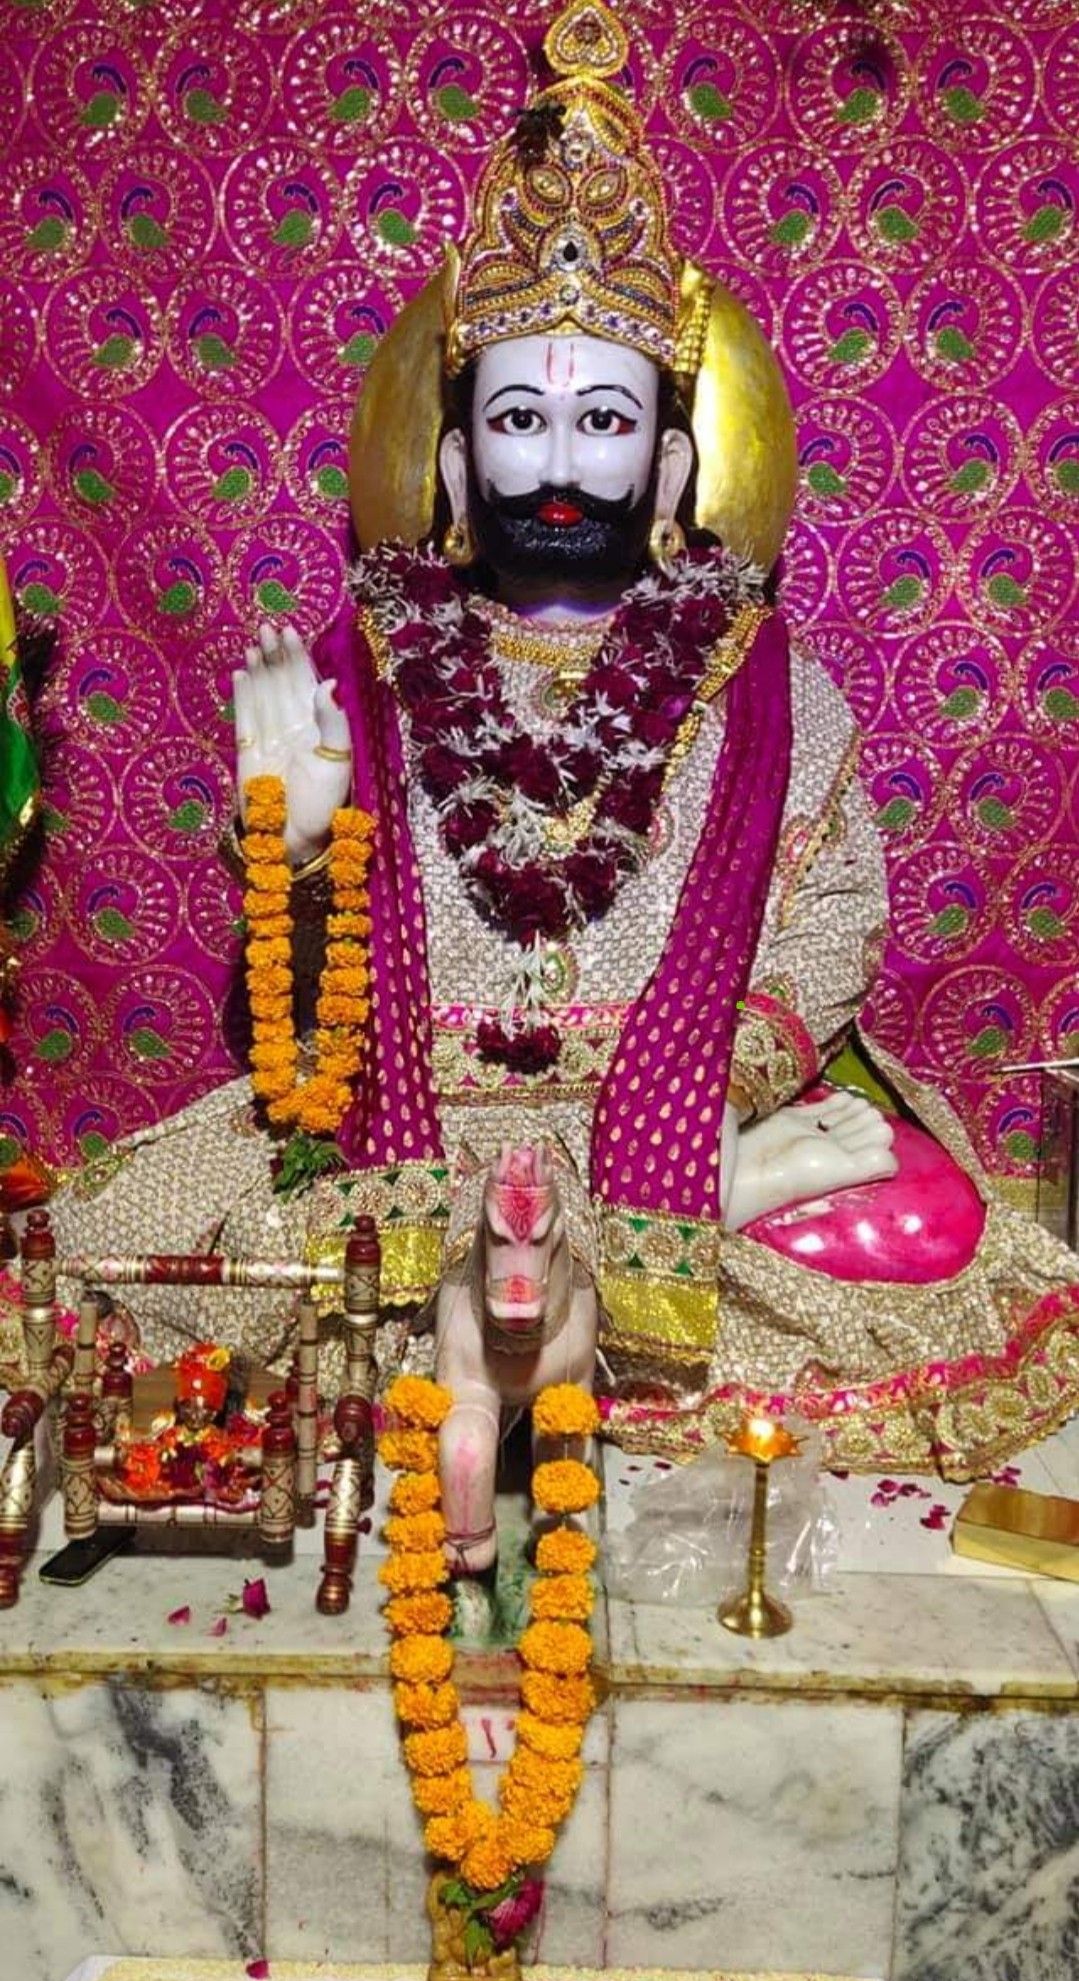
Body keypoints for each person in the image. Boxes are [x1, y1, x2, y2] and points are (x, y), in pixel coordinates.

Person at [46, 1, 1079, 1486]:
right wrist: (299, 845)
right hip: (410, 1132)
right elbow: (305, 1019)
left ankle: (578, 1302)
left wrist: (698, 1125)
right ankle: (522, 1347)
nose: (557, 463)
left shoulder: (766, 681)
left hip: (673, 1118)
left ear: (670, 461)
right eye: (517, 419)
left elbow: (834, 918)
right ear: (454, 460)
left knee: (938, 1230)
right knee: (116, 1247)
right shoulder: (374, 673)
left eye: (604, 421)